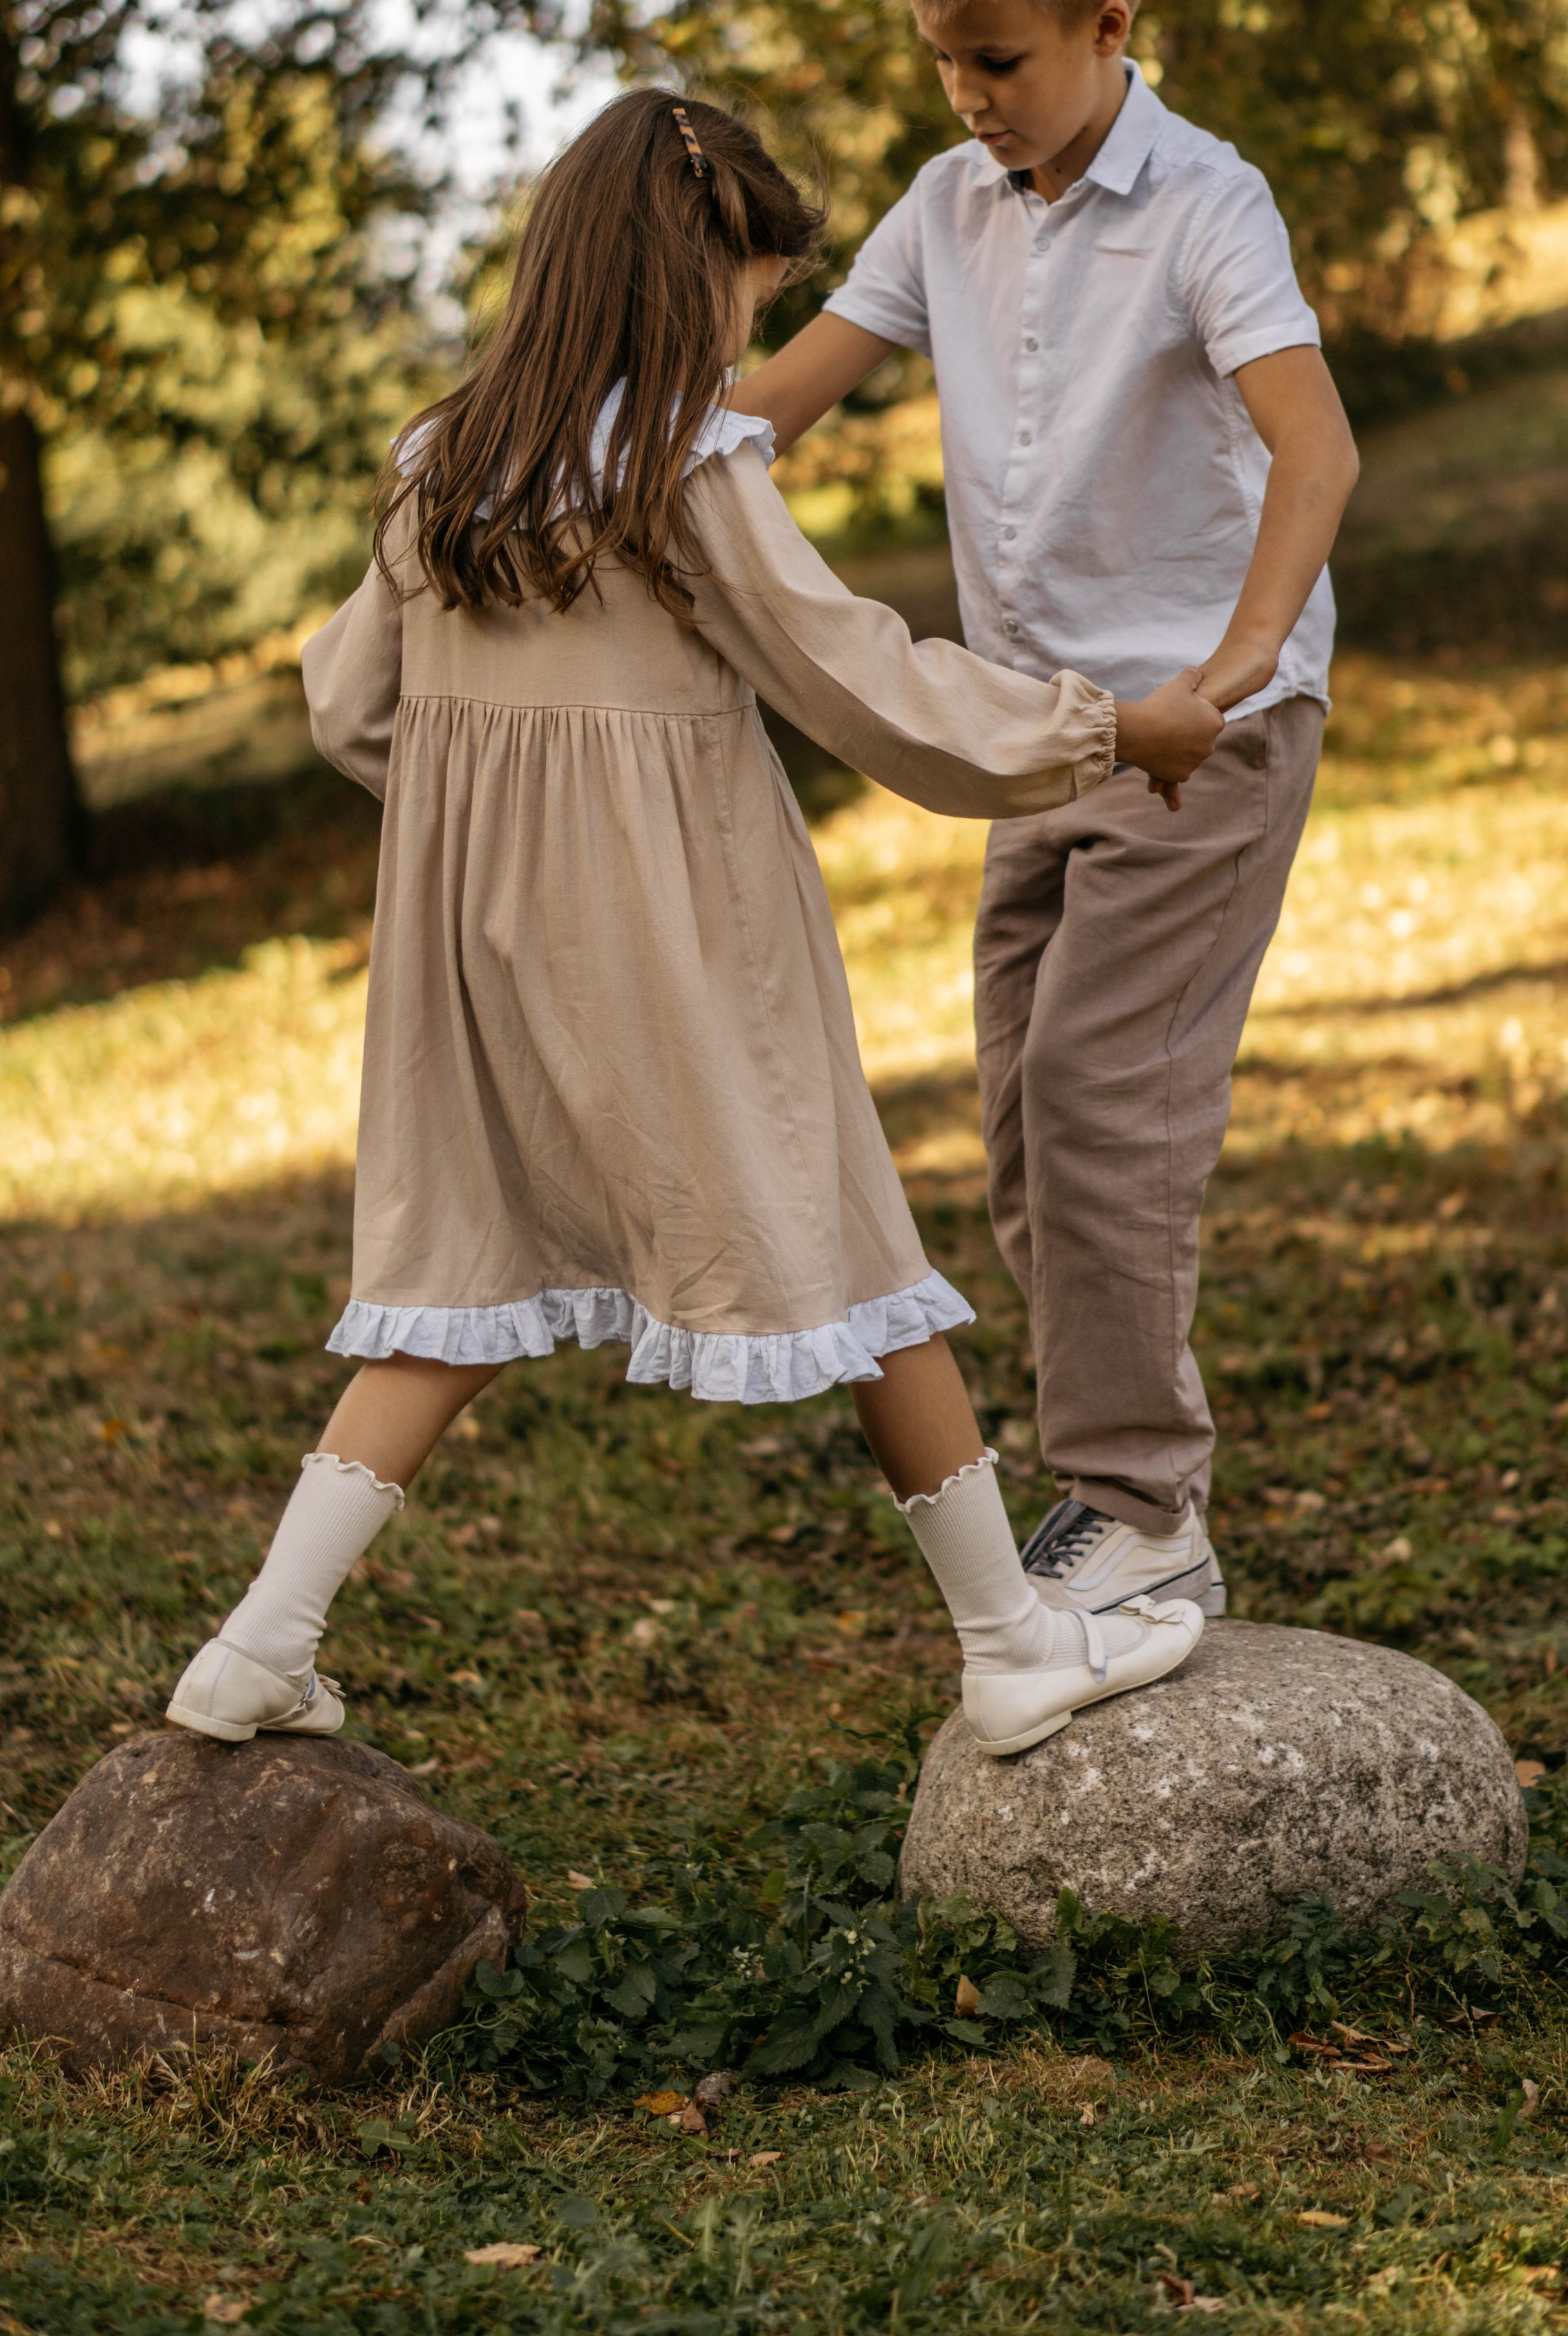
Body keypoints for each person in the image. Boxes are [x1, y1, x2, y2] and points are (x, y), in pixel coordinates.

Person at [164, 88, 1215, 1764]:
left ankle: (254, 1647)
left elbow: (348, 707)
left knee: (452, 1275)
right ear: (688, 279)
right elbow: (860, 682)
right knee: (849, 1240)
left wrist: (489, 830)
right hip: (681, 943)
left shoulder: (441, 465)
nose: (750, 334)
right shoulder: (683, 469)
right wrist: (1102, 731)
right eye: (747, 297)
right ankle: (1011, 1646)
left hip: (477, 957)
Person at [729, 0, 1361, 1623]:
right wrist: (603, 451)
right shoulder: (947, 207)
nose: (967, 96)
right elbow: (779, 405)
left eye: (997, 60)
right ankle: (1112, 1477)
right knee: (1019, 1108)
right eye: (942, 63)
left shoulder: (1207, 202)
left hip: (1199, 734)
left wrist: (1225, 680)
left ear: (1108, 20)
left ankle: (1140, 1503)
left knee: (1099, 1094)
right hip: (1043, 740)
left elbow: (1314, 451)